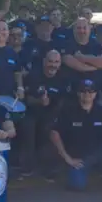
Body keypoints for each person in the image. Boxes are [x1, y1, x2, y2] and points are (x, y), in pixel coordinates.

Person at [20, 50, 72, 179]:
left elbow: (64, 101)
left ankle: (48, 169)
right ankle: (27, 167)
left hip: (52, 113)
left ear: (60, 64)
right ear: (44, 62)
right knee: (27, 127)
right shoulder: (33, 76)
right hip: (32, 112)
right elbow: (26, 99)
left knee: (53, 129)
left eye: (56, 62)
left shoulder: (64, 78)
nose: (53, 65)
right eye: (50, 61)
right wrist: (39, 101)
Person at [59, 18, 102, 84]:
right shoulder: (66, 44)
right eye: (79, 28)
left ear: (89, 29)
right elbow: (76, 65)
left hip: (94, 87)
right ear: (74, 30)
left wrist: (82, 58)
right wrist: (96, 66)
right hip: (73, 86)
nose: (82, 31)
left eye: (84, 28)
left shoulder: (96, 44)